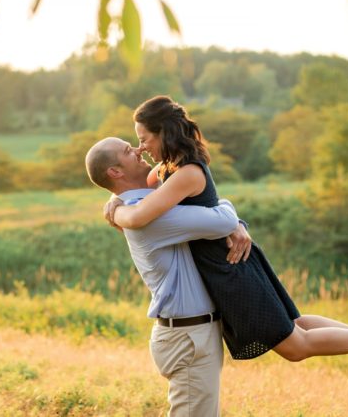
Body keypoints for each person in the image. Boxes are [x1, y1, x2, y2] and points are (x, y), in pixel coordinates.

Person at [103, 95, 348, 366]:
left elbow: (142, 214)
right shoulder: (167, 169)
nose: (142, 147)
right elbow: (138, 192)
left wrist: (116, 211)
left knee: (294, 347)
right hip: (227, 260)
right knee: (296, 326)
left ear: (164, 133)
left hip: (226, 265)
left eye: (144, 138)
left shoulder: (187, 173)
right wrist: (114, 200)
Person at [85, 136, 247, 415]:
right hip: (188, 336)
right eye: (128, 150)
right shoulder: (147, 216)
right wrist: (233, 215)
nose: (138, 149)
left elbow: (208, 216)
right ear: (115, 172)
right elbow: (223, 220)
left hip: (190, 333)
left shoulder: (145, 206)